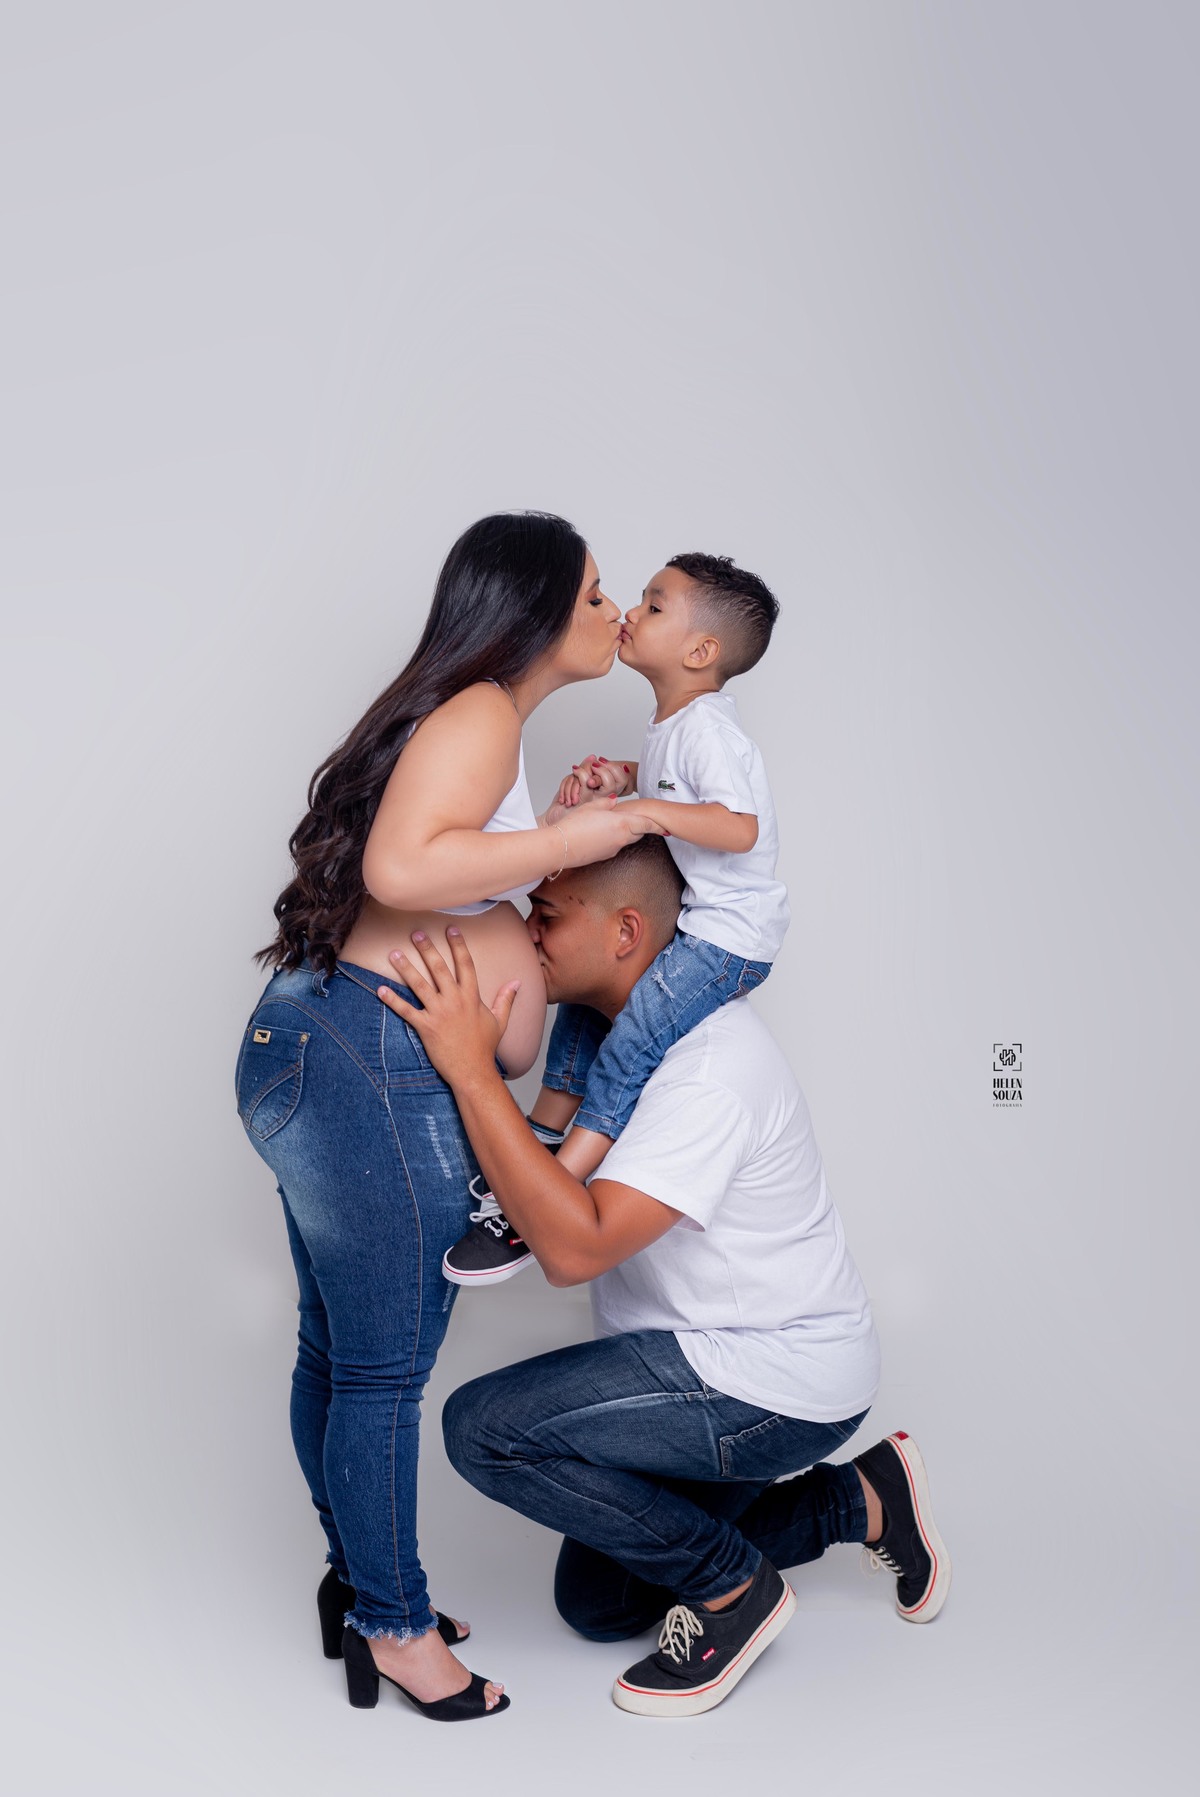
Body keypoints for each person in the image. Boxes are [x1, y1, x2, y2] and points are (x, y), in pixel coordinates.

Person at [235, 512, 660, 1722]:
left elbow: (443, 870)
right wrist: (573, 836)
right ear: (534, 609)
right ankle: (397, 1627)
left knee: (336, 1354)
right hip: (368, 1060)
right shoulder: (479, 711)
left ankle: (362, 1588)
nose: (611, 609)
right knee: (380, 1374)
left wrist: (542, 834)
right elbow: (400, 873)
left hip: (316, 1041)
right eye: (593, 593)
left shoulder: (473, 722)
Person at [378, 837, 952, 1717]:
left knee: (482, 1428)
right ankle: (863, 1498)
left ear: (626, 933)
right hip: (702, 1359)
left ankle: (734, 1593)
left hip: (775, 1378)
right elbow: (538, 1187)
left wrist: (467, 1068)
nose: (527, 928)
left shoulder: (710, 1067)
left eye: (548, 914)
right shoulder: (609, 1043)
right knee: (600, 1603)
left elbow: (573, 1250)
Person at [443, 552, 790, 1286]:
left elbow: (740, 827)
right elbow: (674, 784)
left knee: (629, 1042)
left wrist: (644, 811)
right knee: (587, 1005)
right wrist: (623, 779)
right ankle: (543, 1133)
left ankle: (553, 1183)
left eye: (654, 606)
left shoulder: (708, 729)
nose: (630, 613)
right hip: (701, 923)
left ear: (701, 652)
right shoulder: (676, 724)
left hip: (729, 938)